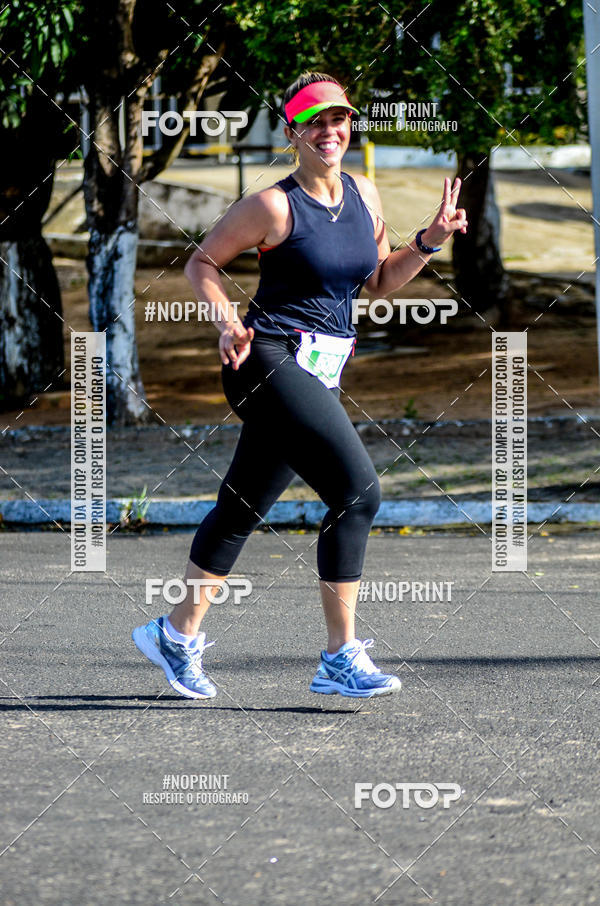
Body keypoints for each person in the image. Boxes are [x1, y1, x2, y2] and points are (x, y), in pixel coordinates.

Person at [132, 72, 468, 700]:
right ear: (293, 132)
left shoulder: (365, 194)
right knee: (358, 492)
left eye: (338, 120)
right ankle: (340, 657)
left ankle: (174, 636)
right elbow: (201, 262)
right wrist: (226, 317)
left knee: (241, 509)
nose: (329, 132)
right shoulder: (274, 205)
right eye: (314, 122)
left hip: (319, 369)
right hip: (265, 359)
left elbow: (376, 281)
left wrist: (429, 240)